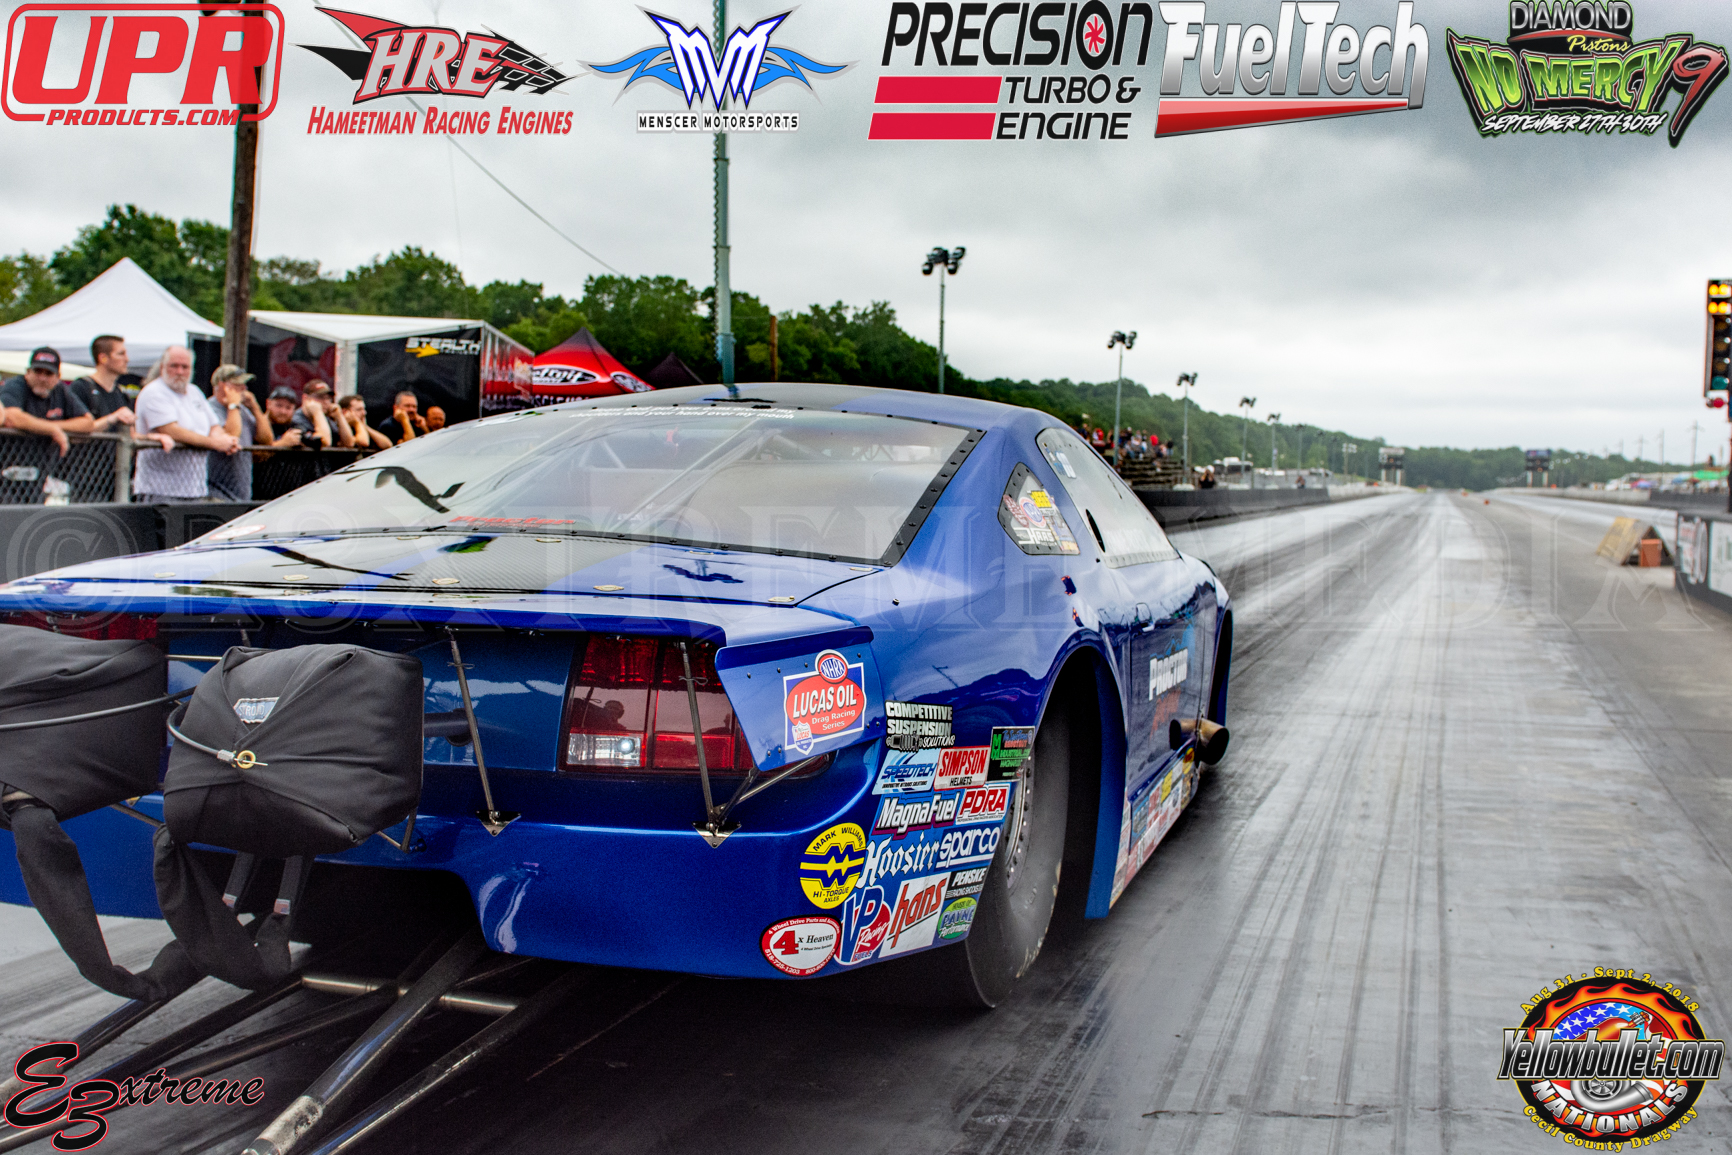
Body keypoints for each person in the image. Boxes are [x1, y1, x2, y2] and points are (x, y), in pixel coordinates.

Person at [133, 345, 238, 502]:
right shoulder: (154, 392)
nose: (180, 371)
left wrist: (226, 439)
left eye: (185, 367)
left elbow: (213, 426)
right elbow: (171, 430)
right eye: (174, 366)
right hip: (160, 489)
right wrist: (215, 443)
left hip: (195, 489)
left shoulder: (195, 392)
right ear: (162, 367)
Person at [0, 347, 95, 457]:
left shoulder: (61, 390)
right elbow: (11, 417)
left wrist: (50, 427)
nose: (42, 378)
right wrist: (51, 429)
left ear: (58, 377)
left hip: (45, 460)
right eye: (38, 371)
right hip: (12, 459)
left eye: (48, 373)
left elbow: (88, 422)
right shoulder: (15, 386)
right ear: (28, 372)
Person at [207, 365, 260, 502]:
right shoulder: (209, 408)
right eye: (238, 384)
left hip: (241, 493)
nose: (244, 388)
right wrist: (233, 406)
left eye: (244, 384)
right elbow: (231, 438)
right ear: (223, 386)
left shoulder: (242, 410)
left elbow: (264, 438)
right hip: (217, 492)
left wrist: (255, 407)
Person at [70, 335, 137, 434]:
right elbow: (75, 429)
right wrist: (113, 418)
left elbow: (131, 434)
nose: (127, 359)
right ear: (103, 358)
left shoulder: (119, 392)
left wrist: (152, 437)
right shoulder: (81, 387)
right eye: (121, 354)